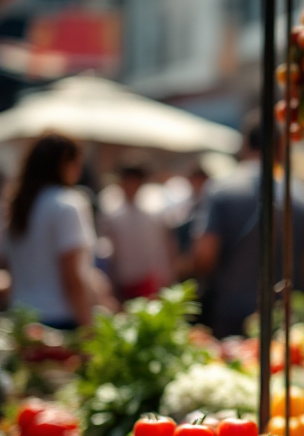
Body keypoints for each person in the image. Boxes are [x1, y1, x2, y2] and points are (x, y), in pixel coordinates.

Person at [193, 117, 304, 338]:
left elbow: (205, 254)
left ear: (245, 145)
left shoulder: (221, 191)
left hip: (230, 314)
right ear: (281, 147)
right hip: (288, 320)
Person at [0, 133, 101, 329]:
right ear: (65, 164)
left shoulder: (19, 205)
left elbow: (8, 265)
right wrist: (87, 325)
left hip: (21, 318)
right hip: (59, 319)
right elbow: (72, 276)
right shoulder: (67, 204)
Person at [98, 162, 176, 301]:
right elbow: (112, 254)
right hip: (123, 283)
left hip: (147, 283)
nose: (130, 187)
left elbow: (162, 250)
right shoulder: (113, 217)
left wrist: (165, 279)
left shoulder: (152, 215)